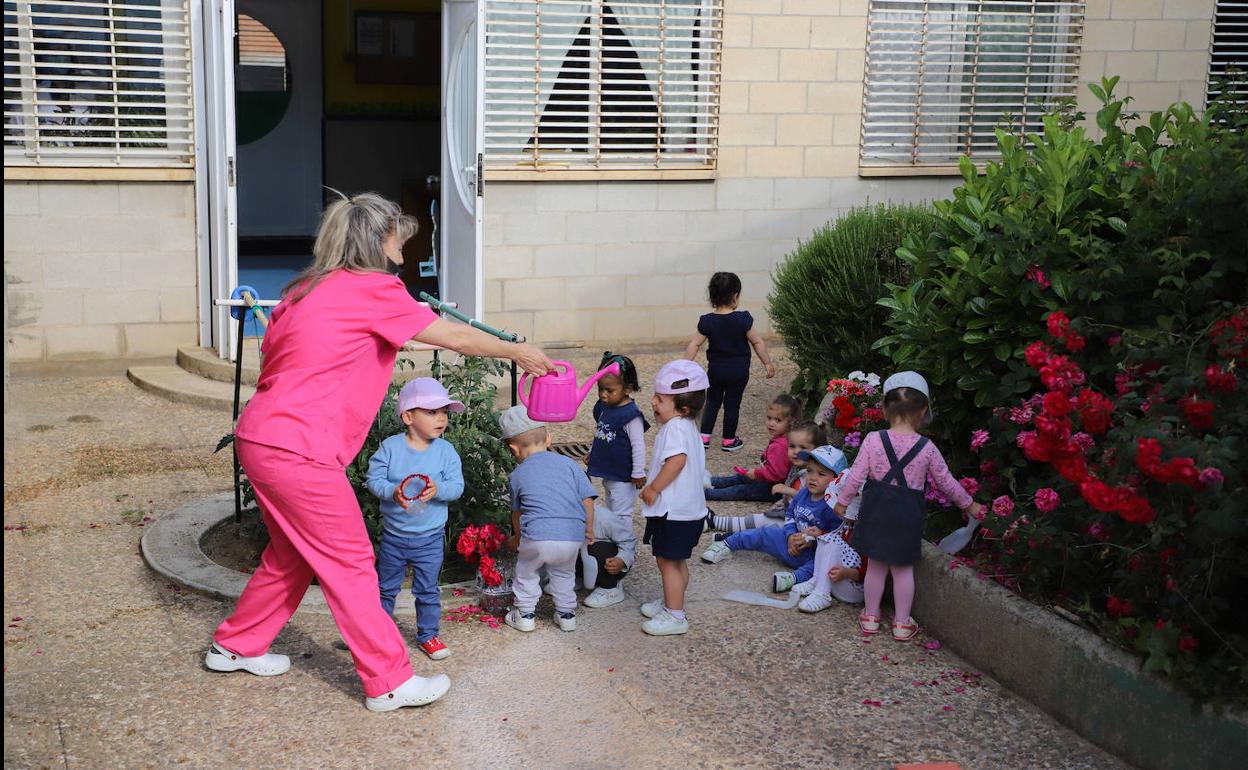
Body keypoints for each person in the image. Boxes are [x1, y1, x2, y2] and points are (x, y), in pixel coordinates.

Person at [204, 192, 554, 712]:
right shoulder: (375, 289)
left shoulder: (303, 291)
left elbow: (317, 347)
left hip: (262, 437)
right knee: (351, 561)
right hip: (300, 448)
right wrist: (516, 351)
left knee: (291, 555)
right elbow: (457, 337)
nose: (404, 250)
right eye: (400, 239)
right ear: (379, 240)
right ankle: (388, 680)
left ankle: (235, 645)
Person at [834, 372, 986, 641]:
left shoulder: (873, 440)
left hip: (876, 511)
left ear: (883, 408)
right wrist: (970, 505)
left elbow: (856, 475)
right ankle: (902, 623)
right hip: (907, 515)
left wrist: (842, 502)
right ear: (924, 410)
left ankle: (870, 616)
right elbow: (946, 482)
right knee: (903, 570)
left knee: (877, 566)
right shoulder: (927, 448)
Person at [365, 377, 465, 661]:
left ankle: (428, 635)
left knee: (427, 590)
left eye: (445, 412)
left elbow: (457, 488)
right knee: (385, 588)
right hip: (394, 536)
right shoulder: (391, 448)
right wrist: (391, 492)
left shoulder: (446, 452)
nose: (442, 418)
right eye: (432, 412)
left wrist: (439, 489)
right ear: (408, 417)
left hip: (430, 537)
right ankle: (376, 637)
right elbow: (374, 479)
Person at [500, 405, 597, 633]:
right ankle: (566, 615)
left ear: (513, 448)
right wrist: (589, 529)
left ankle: (524, 614)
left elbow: (518, 513)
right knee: (564, 573)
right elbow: (588, 500)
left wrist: (517, 538)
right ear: (549, 439)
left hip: (538, 536)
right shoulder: (570, 465)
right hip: (571, 536)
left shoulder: (518, 474)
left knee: (526, 571)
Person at [701, 445, 846, 593]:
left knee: (820, 567)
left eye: (821, 474)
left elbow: (840, 537)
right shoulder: (803, 494)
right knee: (765, 533)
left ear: (837, 480)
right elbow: (790, 515)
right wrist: (790, 536)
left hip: (813, 554)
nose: (812, 478)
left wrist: (818, 535)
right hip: (791, 544)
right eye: (809, 471)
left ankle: (793, 579)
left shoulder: (834, 506)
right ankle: (727, 544)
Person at [639, 360, 710, 636]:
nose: (653, 402)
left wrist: (654, 488)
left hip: (673, 511)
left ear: (682, 407)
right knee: (674, 561)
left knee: (668, 562)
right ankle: (673, 600)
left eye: (660, 399)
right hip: (688, 511)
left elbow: (676, 462)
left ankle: (675, 614)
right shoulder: (687, 424)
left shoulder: (675, 428)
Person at [581, 352, 647, 608]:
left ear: (628, 388)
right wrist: (593, 452)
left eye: (609, 390)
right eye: (600, 389)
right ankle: (609, 546)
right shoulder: (605, 408)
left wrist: (638, 472)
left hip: (623, 475)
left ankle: (621, 559)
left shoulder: (631, 415)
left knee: (620, 515)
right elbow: (603, 434)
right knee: (609, 513)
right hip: (608, 470)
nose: (603, 395)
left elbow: (638, 445)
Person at [684, 272, 776, 452]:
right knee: (732, 404)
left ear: (712, 297)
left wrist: (684, 365)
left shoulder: (708, 321)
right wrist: (767, 363)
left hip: (716, 371)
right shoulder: (743, 319)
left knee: (712, 401)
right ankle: (728, 440)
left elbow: (694, 344)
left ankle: (704, 438)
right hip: (738, 372)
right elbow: (757, 341)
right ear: (735, 296)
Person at [705, 421, 825, 533]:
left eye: (803, 448)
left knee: (756, 520)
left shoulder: (813, 473)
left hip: (795, 519)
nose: (795, 452)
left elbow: (813, 500)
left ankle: (714, 520)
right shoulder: (798, 465)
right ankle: (709, 483)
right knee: (743, 479)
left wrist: (787, 491)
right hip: (785, 507)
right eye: (792, 446)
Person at [704, 394, 800, 502]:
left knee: (741, 490)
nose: (771, 423)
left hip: (774, 488)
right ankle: (712, 482)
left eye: (778, 420)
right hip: (769, 480)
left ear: (790, 422)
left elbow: (777, 474)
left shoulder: (780, 445)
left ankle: (706, 493)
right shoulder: (781, 439)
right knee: (742, 477)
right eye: (769, 418)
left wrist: (757, 473)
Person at [797, 470, 867, 613]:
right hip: (838, 580)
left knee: (832, 540)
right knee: (826, 539)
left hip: (855, 589)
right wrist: (820, 534)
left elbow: (871, 572)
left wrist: (848, 573)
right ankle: (817, 581)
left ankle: (822, 594)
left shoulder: (868, 533)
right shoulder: (848, 524)